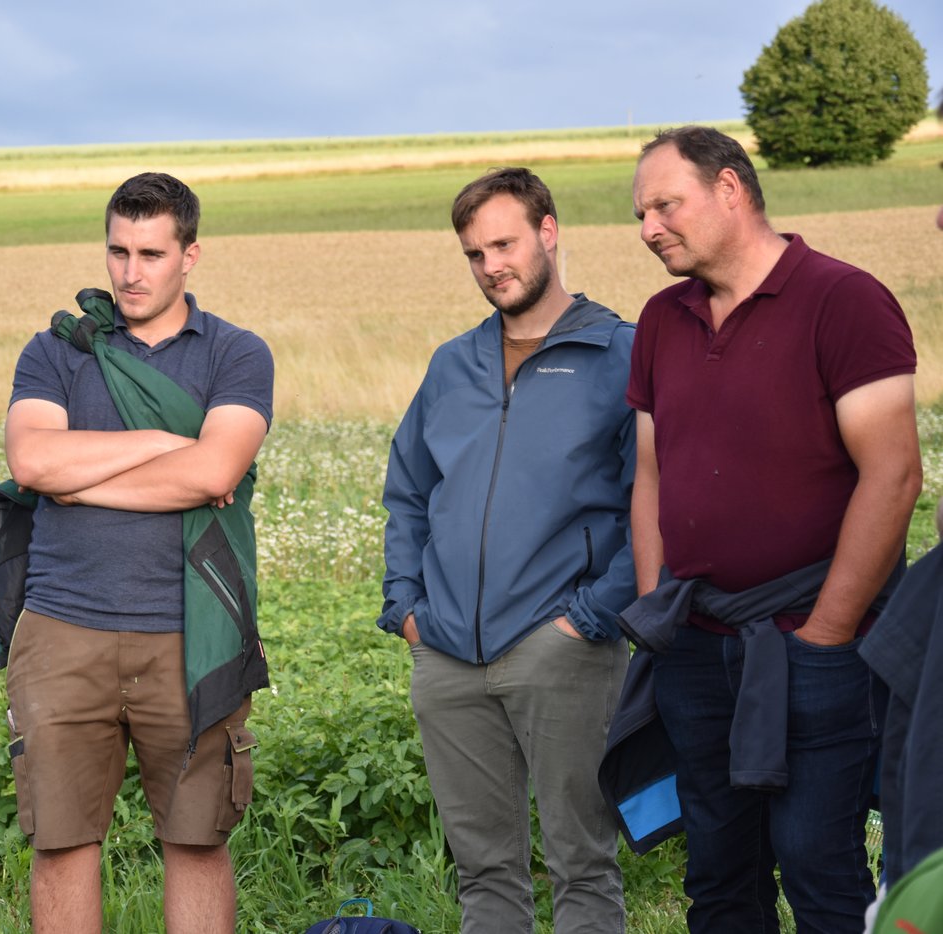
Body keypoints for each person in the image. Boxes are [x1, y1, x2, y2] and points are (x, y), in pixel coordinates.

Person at [625, 125, 921, 933]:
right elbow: (653, 474)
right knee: (719, 871)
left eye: (664, 205)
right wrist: (660, 609)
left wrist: (825, 633)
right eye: (641, 213)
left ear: (730, 189)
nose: (649, 228)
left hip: (817, 639)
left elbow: (893, 477)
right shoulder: (661, 319)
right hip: (696, 639)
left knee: (819, 863)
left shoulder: (843, 299)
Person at [3, 172, 272, 934]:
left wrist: (79, 477)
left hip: (192, 631)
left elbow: (215, 472)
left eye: (151, 253)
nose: (129, 272)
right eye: (118, 250)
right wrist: (161, 446)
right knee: (61, 842)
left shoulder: (236, 355)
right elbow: (31, 465)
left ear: (191, 255)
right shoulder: (58, 351)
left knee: (196, 840)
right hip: (62, 629)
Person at [378, 167, 636, 934]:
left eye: (504, 243)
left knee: (581, 864)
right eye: (474, 253)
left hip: (561, 649)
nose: (492, 266)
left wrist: (591, 617)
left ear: (548, 233)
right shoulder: (452, 365)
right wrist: (407, 610)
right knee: (483, 871)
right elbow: (409, 490)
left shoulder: (623, 353)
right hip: (448, 654)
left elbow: (654, 505)